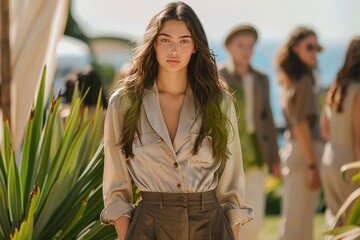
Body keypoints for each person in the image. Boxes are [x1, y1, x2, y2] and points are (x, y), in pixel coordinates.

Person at [100, 2, 253, 240]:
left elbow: (231, 184)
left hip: (209, 227)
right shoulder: (124, 103)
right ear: (153, 44)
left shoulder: (218, 102)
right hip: (148, 227)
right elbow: (116, 184)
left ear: (195, 46)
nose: (174, 50)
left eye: (184, 40)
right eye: (165, 40)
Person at [219, 24, 280, 240]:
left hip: (255, 153)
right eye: (241, 45)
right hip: (225, 156)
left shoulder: (261, 78)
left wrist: (274, 158)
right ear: (229, 47)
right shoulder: (218, 75)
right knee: (228, 214)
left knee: (256, 218)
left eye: (250, 46)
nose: (246, 50)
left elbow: (268, 118)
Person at [276, 26, 325, 240]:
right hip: (305, 153)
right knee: (297, 222)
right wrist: (313, 164)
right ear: (296, 48)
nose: (315, 53)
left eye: (317, 48)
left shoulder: (292, 79)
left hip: (298, 150)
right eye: (310, 47)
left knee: (299, 220)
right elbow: (300, 127)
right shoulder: (303, 81)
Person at [320, 36, 360, 229]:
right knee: (354, 226)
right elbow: (359, 139)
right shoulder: (358, 90)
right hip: (351, 166)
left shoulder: (335, 87)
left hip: (330, 160)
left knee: (336, 223)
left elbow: (324, 130)